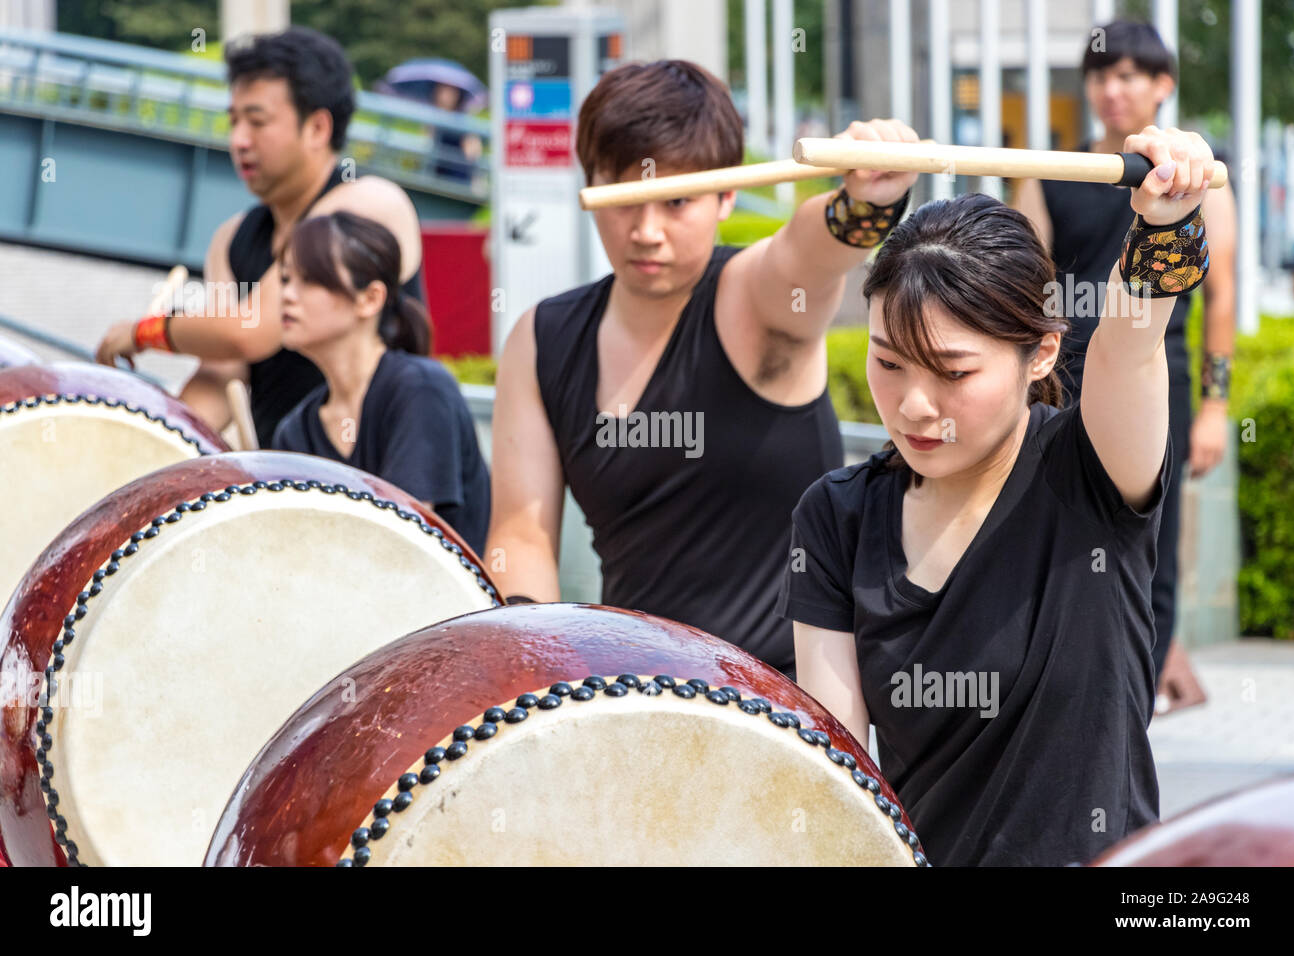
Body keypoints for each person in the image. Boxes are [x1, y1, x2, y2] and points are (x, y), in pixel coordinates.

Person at [780, 126, 1214, 866]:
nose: (914, 405)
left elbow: (1129, 340)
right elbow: (839, 777)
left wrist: (1169, 218)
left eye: (952, 373)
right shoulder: (837, 515)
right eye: (888, 363)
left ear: (1041, 350)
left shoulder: (1091, 470)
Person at [487, 59, 917, 680]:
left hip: (789, 705)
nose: (646, 232)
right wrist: (528, 670)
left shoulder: (755, 295)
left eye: (677, 202)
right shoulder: (542, 338)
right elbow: (521, 534)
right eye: (625, 200)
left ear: (727, 194)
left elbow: (810, 251)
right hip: (627, 696)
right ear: (591, 186)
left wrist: (865, 202)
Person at [1014, 20, 1236, 712]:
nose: (1113, 90)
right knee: (1051, 542)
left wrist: (1214, 406)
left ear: (1162, 86)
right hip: (1060, 384)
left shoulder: (1202, 179)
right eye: (1102, 76)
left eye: (1130, 75)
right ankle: (1060, 700)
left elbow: (1222, 295)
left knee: (1151, 553)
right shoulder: (1053, 173)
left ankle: (1130, 713)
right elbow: (1027, 284)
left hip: (1155, 386)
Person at [96, 26, 426, 450]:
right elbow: (222, 372)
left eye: (257, 121)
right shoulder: (231, 238)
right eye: (233, 121)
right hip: (288, 475)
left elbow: (249, 330)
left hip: (383, 472)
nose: (238, 140)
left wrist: (145, 332)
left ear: (318, 128)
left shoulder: (367, 204)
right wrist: (152, 449)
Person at [271, 211, 489, 554]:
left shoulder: (421, 390)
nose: (287, 295)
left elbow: (403, 550)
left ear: (370, 298)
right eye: (285, 279)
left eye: (309, 280)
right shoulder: (295, 429)